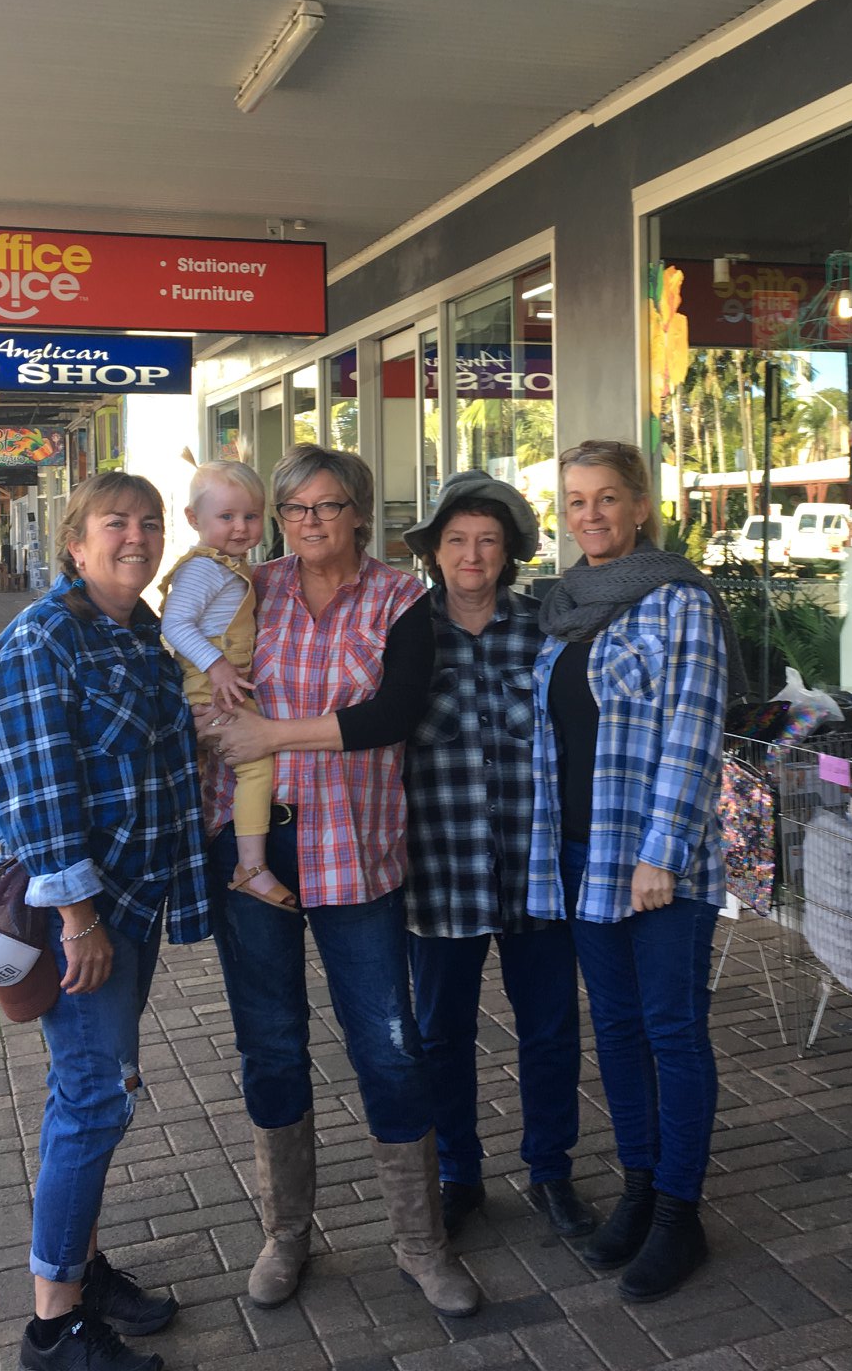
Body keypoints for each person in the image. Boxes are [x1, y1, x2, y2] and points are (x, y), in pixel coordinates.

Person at [208, 444, 479, 1317]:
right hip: (253, 851)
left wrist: (273, 736)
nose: (309, 523)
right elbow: (191, 658)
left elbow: (394, 712)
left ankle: (418, 1242)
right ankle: (285, 1236)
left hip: (356, 853)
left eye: (326, 507)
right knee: (271, 1043)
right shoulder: (251, 586)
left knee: (389, 1047)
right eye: (294, 509)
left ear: (360, 510)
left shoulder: (401, 596)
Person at [0, 471, 210, 1371]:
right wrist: (78, 920)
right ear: (75, 542)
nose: (138, 538)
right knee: (94, 1101)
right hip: (91, 918)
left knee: (88, 1093)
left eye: (151, 524)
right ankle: (53, 1326)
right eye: (117, 523)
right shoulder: (44, 639)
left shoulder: (143, 636)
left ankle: (86, 1267)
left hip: (139, 907)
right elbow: (37, 795)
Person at [528, 440, 744, 1303]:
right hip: (582, 856)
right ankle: (640, 1185)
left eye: (608, 498)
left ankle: (680, 1212)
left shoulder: (678, 602)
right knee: (614, 1030)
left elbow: (694, 733)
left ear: (641, 504)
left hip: (656, 862)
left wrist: (662, 852)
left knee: (671, 1031)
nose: (591, 515)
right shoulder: (566, 605)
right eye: (576, 501)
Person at [400, 470, 596, 1243]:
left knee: (549, 1028)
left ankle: (551, 1170)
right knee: (439, 1033)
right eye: (456, 540)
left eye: (488, 540)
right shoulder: (406, 632)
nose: (472, 554)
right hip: (439, 868)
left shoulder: (549, 630)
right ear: (435, 553)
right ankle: (458, 1174)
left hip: (537, 865)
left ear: (510, 552)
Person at [159, 460, 292, 911]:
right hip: (208, 685)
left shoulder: (230, 566)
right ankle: (251, 867)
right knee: (256, 766)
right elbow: (175, 623)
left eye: (251, 516)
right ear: (194, 520)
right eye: (227, 517)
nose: (240, 527)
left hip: (216, 683)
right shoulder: (204, 570)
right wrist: (215, 665)